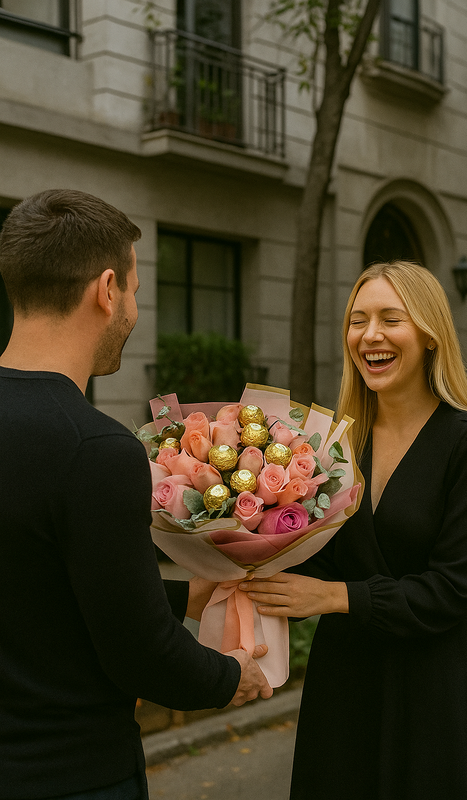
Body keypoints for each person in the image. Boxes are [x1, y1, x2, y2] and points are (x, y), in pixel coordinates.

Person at [0, 189, 272, 800]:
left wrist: (181, 596)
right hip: (69, 775)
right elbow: (138, 653)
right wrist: (232, 677)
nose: (133, 310)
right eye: (135, 291)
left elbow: (44, 586)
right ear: (105, 290)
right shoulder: (93, 447)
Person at [240, 261, 467, 800]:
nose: (370, 336)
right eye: (357, 320)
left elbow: (453, 590)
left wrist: (337, 597)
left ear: (430, 336)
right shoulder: (333, 446)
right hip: (344, 683)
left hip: (430, 688)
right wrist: (239, 543)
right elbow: (313, 557)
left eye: (391, 318)